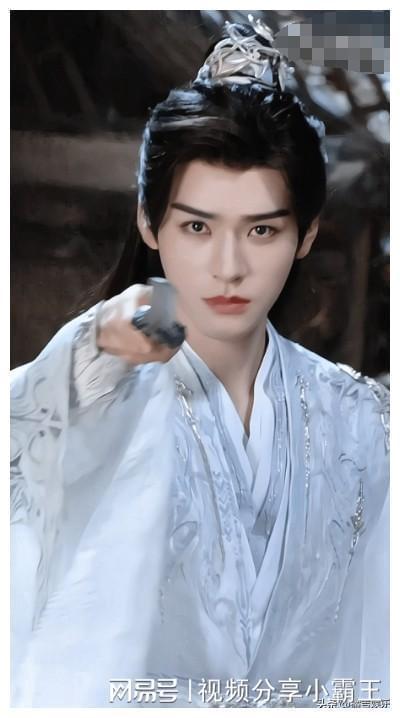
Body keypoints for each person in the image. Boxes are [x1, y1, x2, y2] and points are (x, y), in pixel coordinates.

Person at [10, 18, 389, 708]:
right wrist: (99, 350)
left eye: (262, 229)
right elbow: (27, 434)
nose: (229, 266)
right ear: (148, 223)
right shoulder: (102, 381)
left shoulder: (361, 418)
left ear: (305, 234)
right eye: (196, 226)